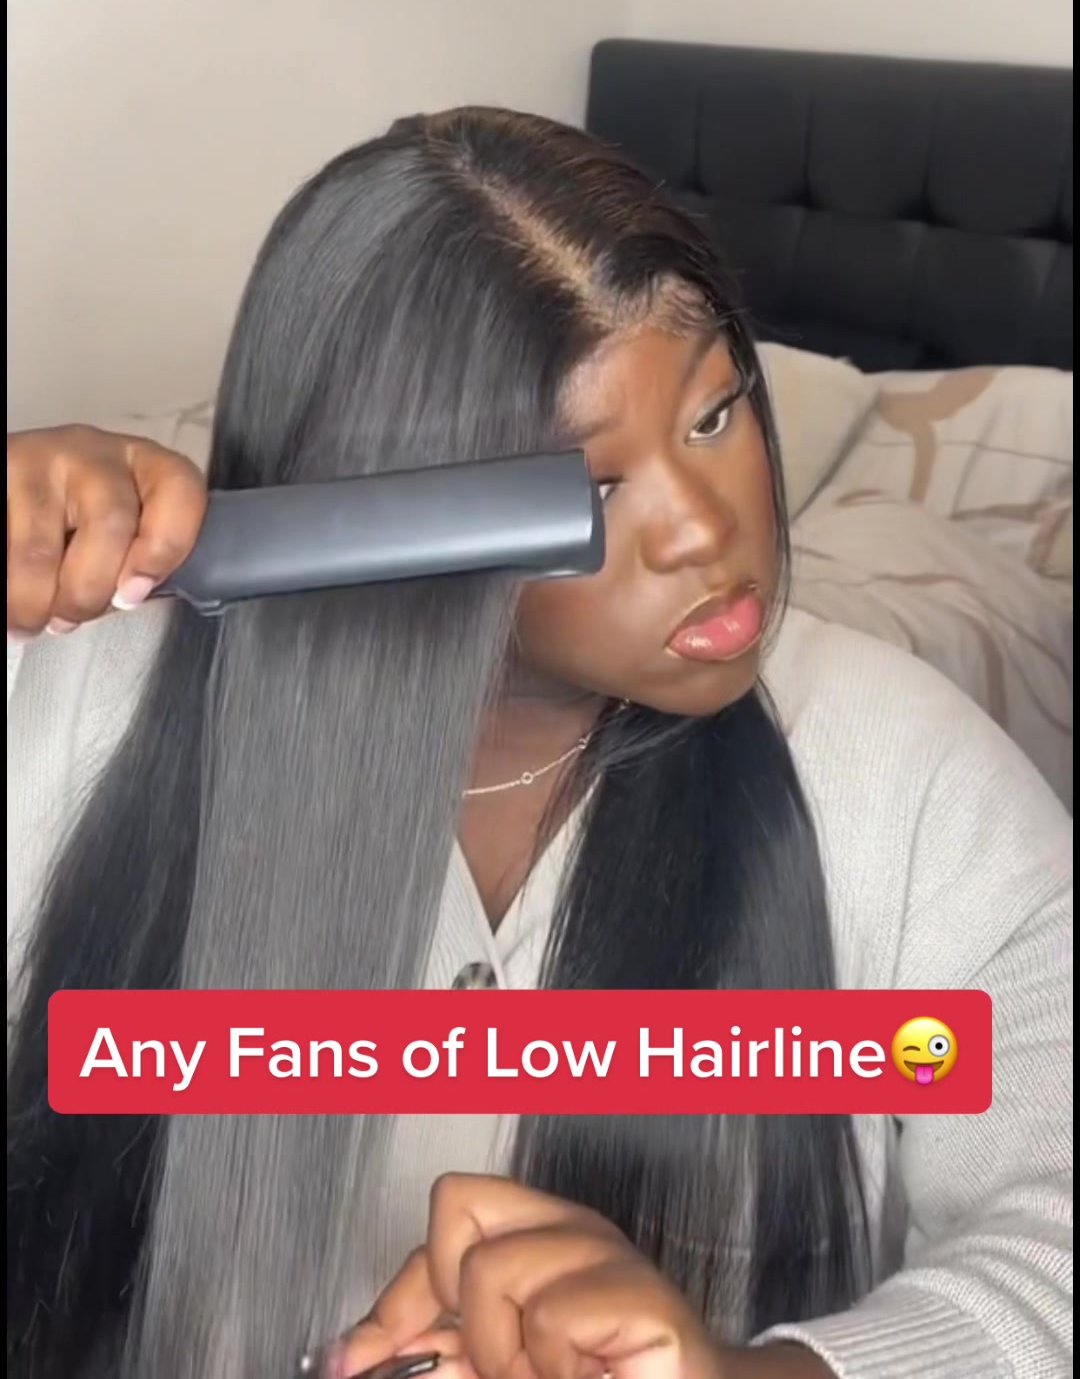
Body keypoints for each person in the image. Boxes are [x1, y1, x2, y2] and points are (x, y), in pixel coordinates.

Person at [6, 107, 1071, 1379]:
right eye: (597, 484)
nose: (705, 529)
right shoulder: (81, 701)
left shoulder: (908, 774)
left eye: (716, 417)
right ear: (378, 506)